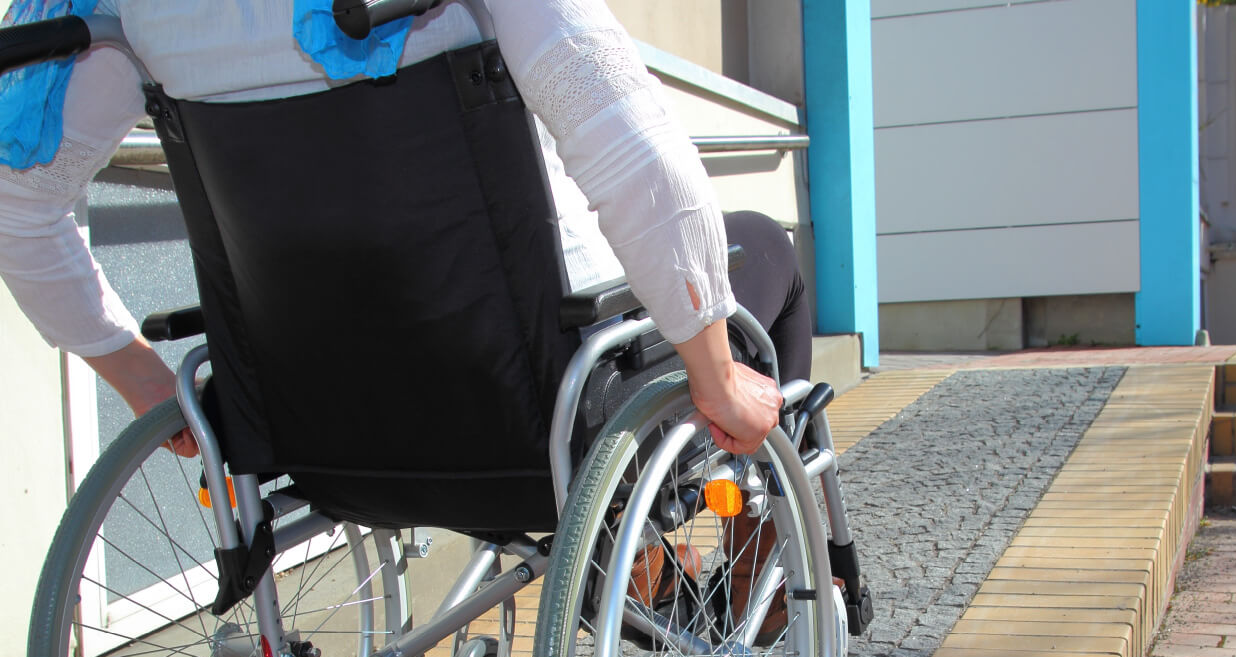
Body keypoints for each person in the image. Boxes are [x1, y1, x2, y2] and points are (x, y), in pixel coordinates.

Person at [0, 0, 811, 457]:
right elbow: (631, 148)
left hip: (307, 415)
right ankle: (757, 552)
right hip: (530, 391)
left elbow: (12, 203)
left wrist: (148, 388)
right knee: (766, 251)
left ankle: (656, 570)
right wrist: (713, 371)